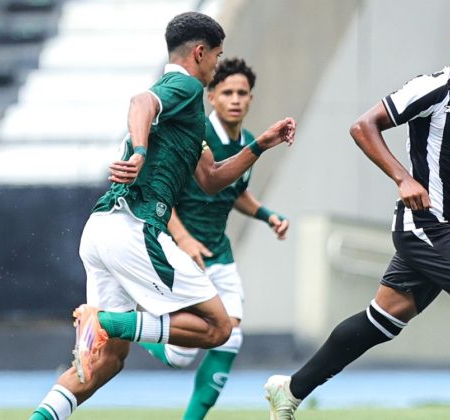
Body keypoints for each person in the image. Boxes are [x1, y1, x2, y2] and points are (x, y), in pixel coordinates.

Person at [264, 7, 450, 420]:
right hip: (425, 224)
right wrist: (403, 179)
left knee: (383, 320)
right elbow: (363, 126)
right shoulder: (433, 88)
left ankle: (290, 390)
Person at [30, 12, 296, 420]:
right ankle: (106, 322)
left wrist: (260, 144)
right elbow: (141, 102)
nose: (217, 65)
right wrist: (139, 152)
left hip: (102, 229)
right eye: (217, 56)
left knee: (108, 361)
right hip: (135, 228)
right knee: (219, 327)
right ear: (200, 53)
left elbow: (211, 178)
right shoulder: (185, 86)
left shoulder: (187, 114)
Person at [138, 57, 289, 419]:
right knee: (180, 355)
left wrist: (268, 216)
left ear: (251, 98)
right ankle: (126, 326)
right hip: (183, 254)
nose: (235, 99)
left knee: (231, 336)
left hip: (220, 254)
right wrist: (183, 239)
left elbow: (234, 191)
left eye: (242, 93)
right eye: (227, 92)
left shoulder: (248, 142)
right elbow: (164, 192)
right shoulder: (197, 136)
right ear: (212, 97)